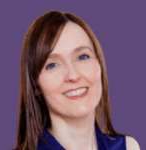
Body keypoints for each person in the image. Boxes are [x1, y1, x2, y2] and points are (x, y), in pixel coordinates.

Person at [12, 10, 140, 150]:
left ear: (100, 65)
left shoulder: (128, 146)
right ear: (35, 85)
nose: (73, 75)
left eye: (82, 57)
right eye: (52, 65)